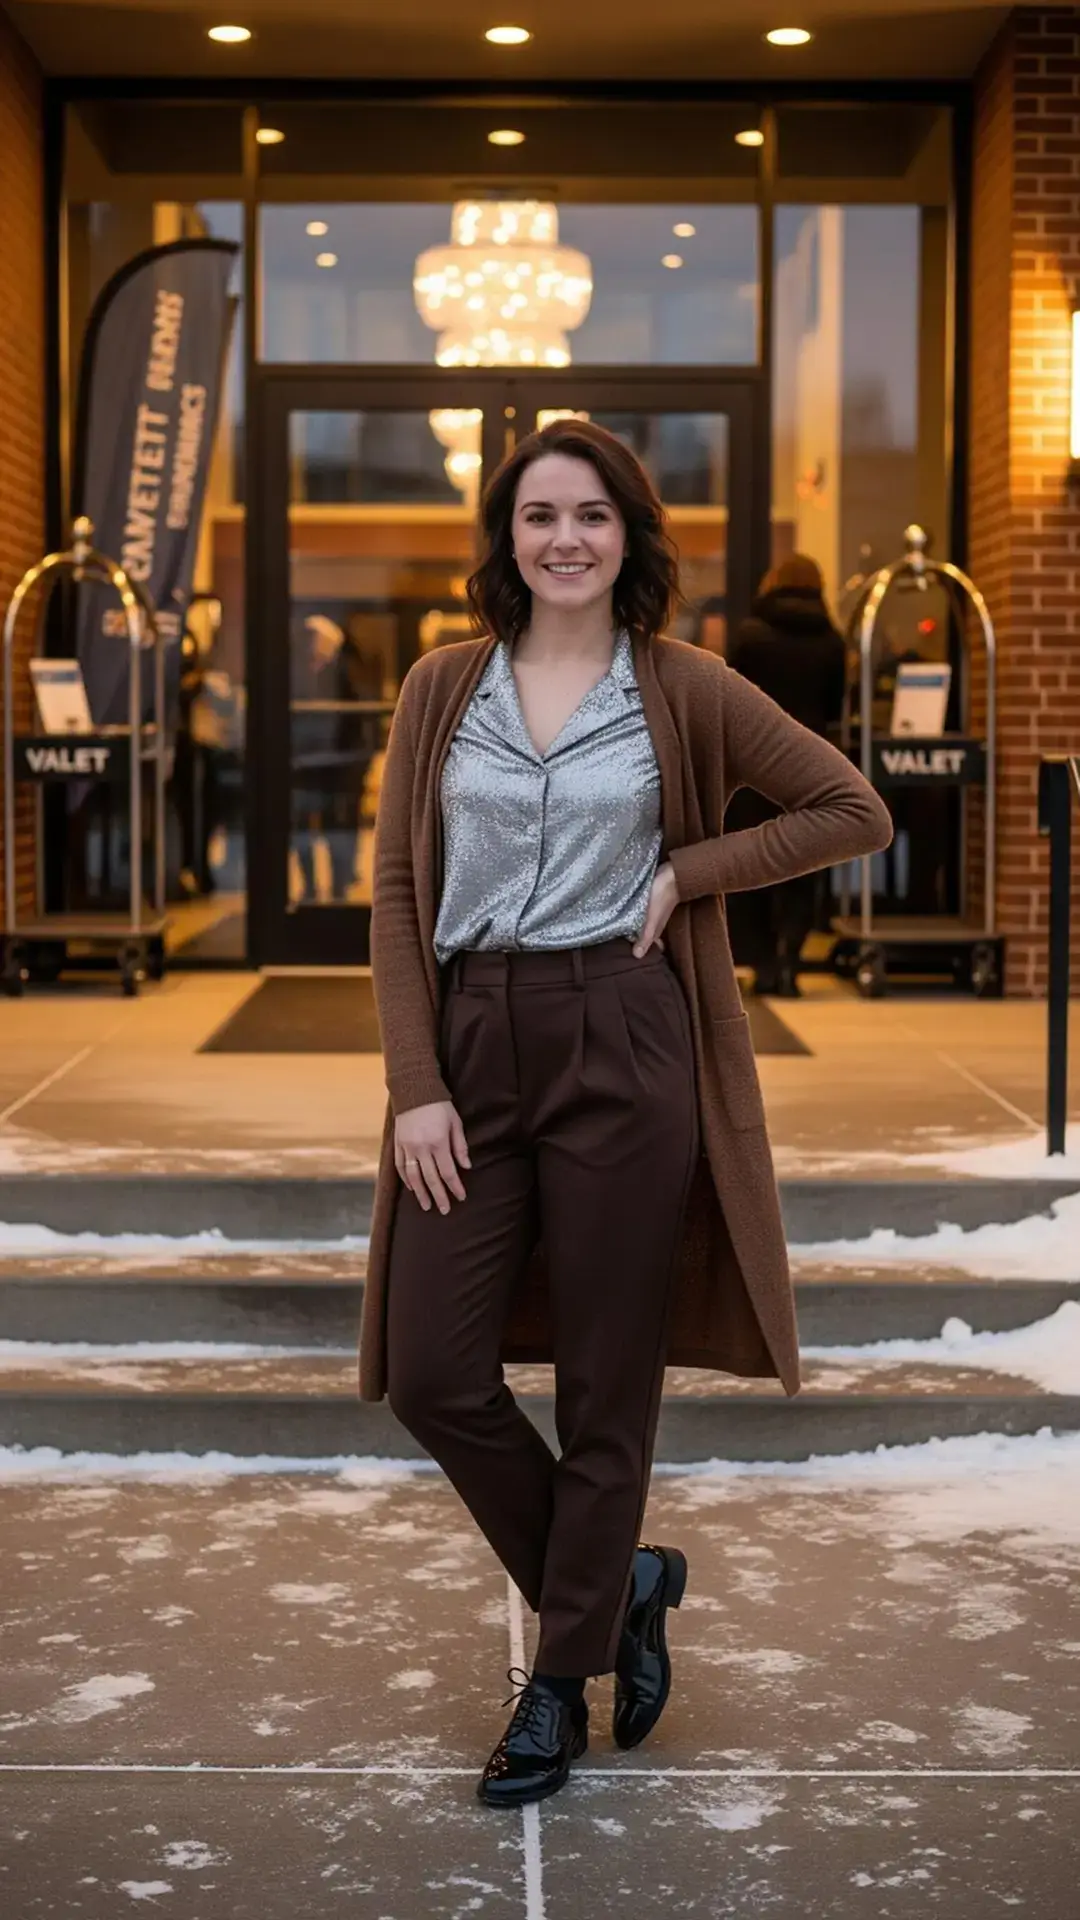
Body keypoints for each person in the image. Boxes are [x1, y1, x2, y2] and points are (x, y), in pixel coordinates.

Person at [361, 421, 892, 1810]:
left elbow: (852, 810)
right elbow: (400, 896)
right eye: (539, 516)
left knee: (609, 1385)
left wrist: (690, 871)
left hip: (626, 1034)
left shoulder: (685, 684)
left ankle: (557, 1687)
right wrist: (416, 1084)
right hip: (474, 1040)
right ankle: (625, 1584)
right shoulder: (438, 687)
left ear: (631, 536)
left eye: (592, 515)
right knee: (433, 1372)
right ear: (506, 538)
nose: (565, 541)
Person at [727, 555, 848, 996]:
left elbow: (730, 700)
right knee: (803, 865)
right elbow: (837, 707)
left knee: (755, 861)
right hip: (809, 767)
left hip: (753, 766)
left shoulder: (750, 637)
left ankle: (760, 963)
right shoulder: (832, 641)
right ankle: (790, 961)